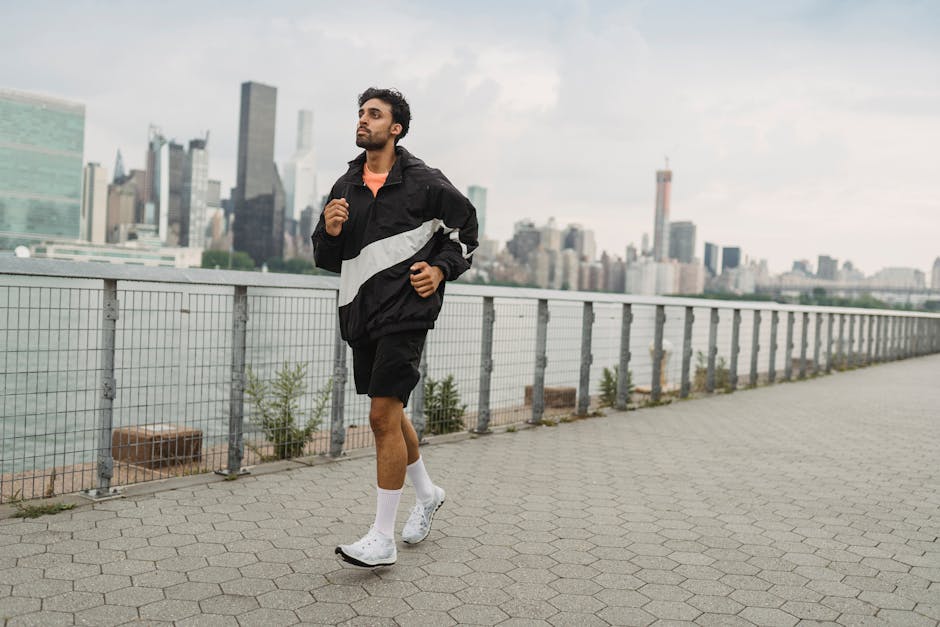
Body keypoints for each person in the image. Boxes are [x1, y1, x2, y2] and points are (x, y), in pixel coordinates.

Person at [312, 87, 478, 567]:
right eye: (361, 113)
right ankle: (428, 494)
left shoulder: (426, 183)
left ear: (396, 128)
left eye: (374, 114)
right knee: (390, 411)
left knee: (382, 415)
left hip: (407, 312)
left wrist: (441, 270)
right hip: (361, 312)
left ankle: (381, 539)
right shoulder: (345, 186)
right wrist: (331, 229)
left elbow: (466, 235)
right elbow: (325, 257)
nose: (363, 121)